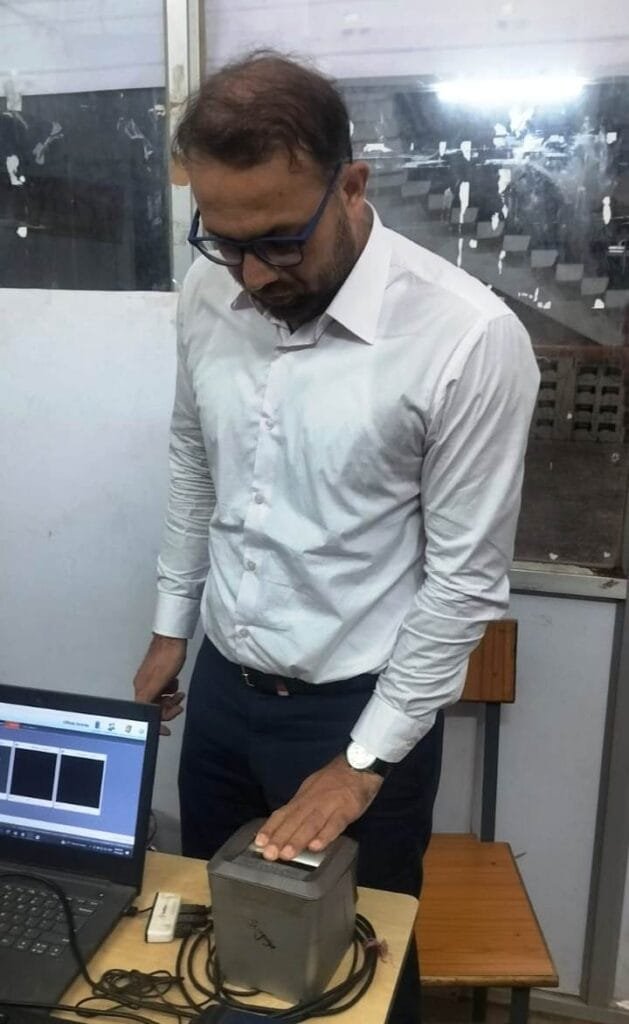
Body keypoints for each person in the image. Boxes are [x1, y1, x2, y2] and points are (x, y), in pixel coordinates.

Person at [133, 51, 539, 1024]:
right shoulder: (211, 292)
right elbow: (194, 457)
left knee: (356, 973)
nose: (250, 275)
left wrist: (359, 766)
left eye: (278, 241)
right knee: (219, 953)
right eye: (222, 241)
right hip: (223, 692)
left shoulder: (465, 339)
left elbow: (462, 584)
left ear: (350, 186)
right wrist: (171, 623)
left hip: (355, 711)